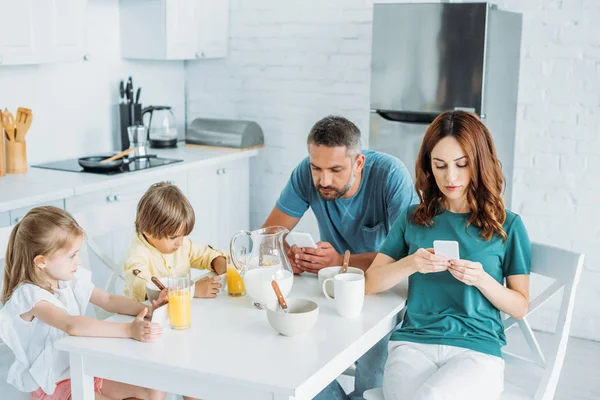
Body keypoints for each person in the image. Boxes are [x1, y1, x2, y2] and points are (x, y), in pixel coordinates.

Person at [365, 110, 531, 400]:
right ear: (428, 166)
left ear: (479, 163)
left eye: (461, 165)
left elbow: (520, 306)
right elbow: (369, 283)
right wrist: (411, 262)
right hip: (413, 344)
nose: (450, 177)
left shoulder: (508, 225)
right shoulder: (412, 218)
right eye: (439, 165)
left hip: (477, 349)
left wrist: (482, 280)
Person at [262, 115, 418, 399]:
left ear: (358, 163)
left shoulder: (390, 175)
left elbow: (408, 254)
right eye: (316, 169)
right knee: (291, 351)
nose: (324, 180)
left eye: (335, 170)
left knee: (372, 373)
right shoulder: (305, 175)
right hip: (329, 286)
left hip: (384, 290)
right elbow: (267, 237)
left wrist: (340, 261)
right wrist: (290, 256)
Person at [0, 206, 167, 400]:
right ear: (41, 261)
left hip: (84, 367)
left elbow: (108, 300)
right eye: (72, 255)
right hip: (52, 385)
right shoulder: (29, 296)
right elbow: (71, 324)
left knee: (154, 390)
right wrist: (129, 330)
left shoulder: (68, 277)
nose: (78, 261)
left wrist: (149, 309)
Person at [123, 182, 227, 302]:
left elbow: (205, 255)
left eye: (183, 236)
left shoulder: (180, 244)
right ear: (148, 231)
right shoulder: (137, 254)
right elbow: (147, 290)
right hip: (145, 315)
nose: (180, 243)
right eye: (173, 237)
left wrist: (221, 266)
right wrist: (192, 291)